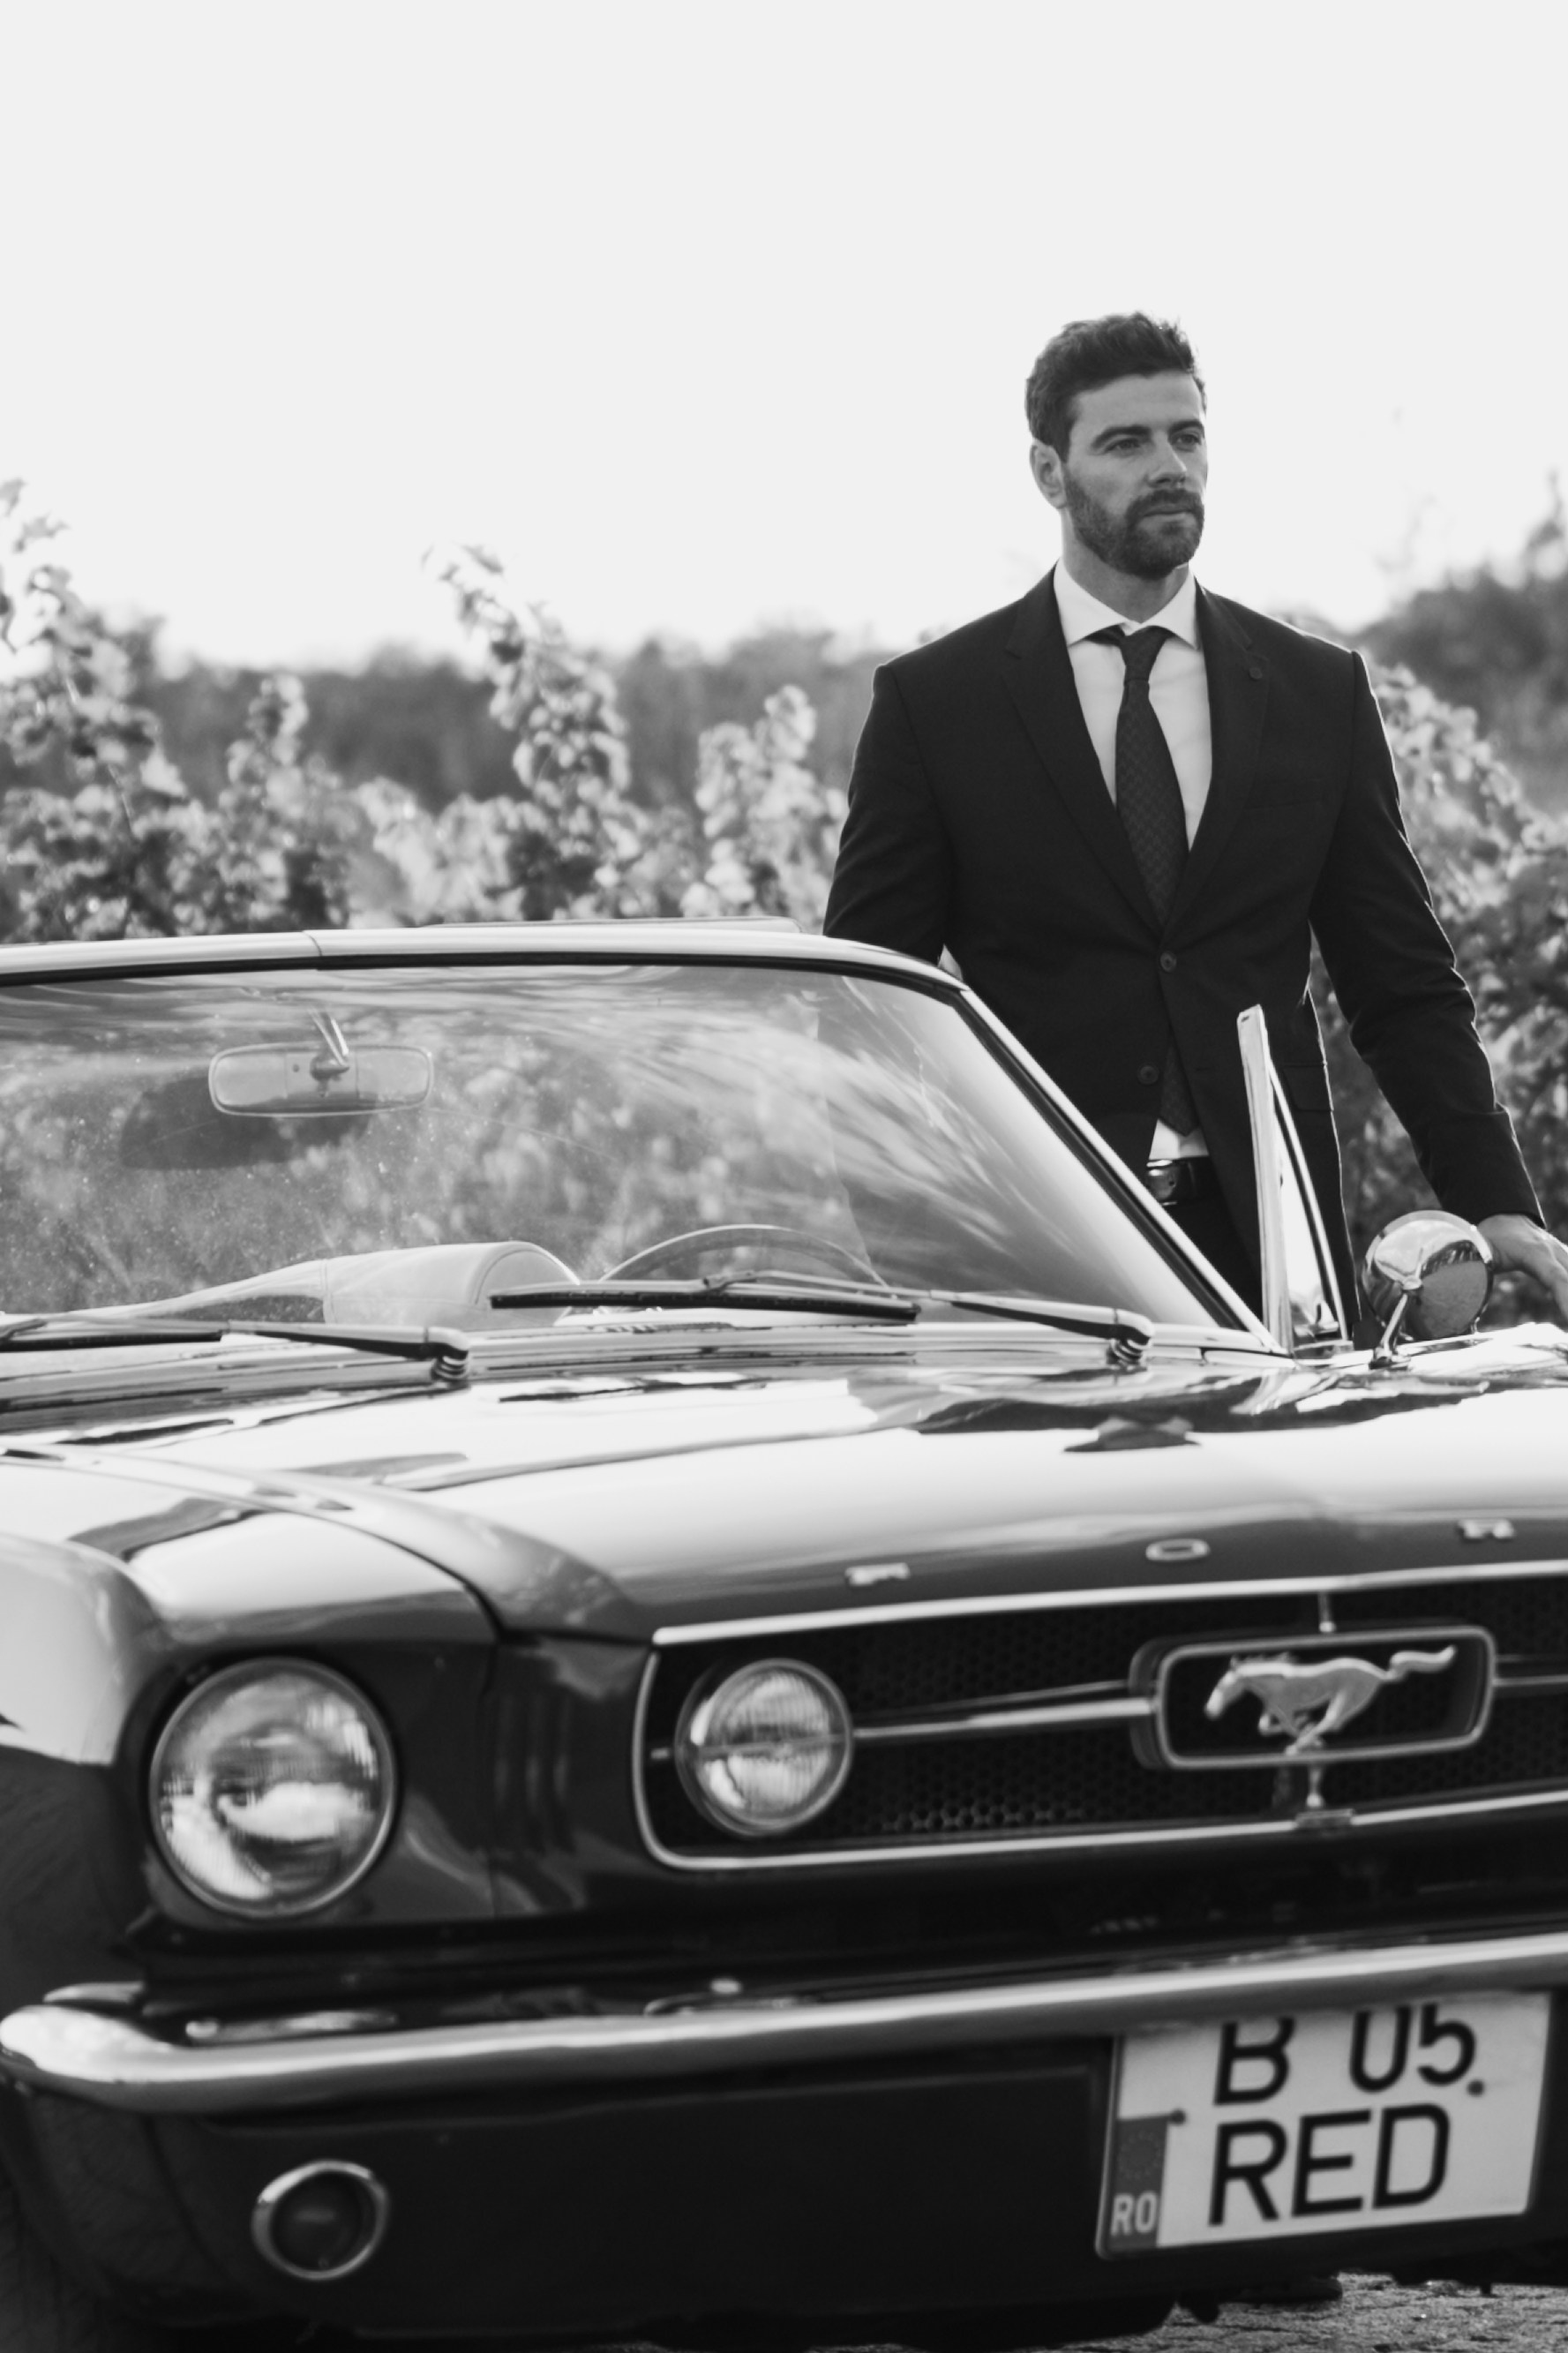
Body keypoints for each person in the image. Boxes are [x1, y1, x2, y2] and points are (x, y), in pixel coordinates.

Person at [823, 312, 1568, 1320]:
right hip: (1035, 1245)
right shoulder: (935, 705)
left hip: (1271, 1247)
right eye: (1125, 443)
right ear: (1049, 472)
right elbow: (867, 1004)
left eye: (1185, 436)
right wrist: (907, 1244)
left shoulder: (1315, 691)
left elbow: (1399, 982)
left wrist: (1494, 1199)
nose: (1168, 466)